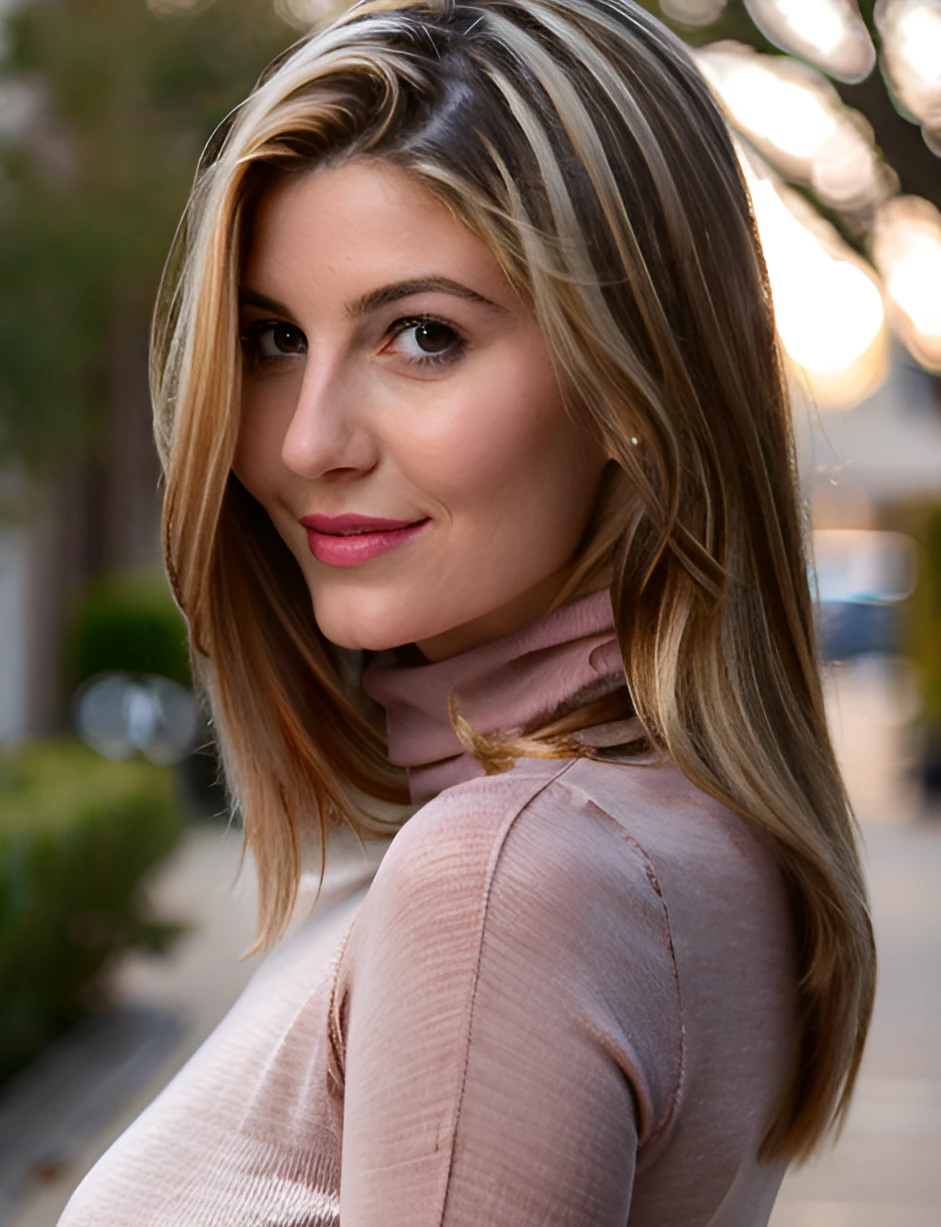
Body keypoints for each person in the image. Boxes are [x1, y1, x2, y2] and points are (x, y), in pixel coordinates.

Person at [57, 0, 877, 1223]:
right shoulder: (659, 839)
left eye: (421, 335)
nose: (304, 439)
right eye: (274, 336)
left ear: (631, 383)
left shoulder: (502, 878)